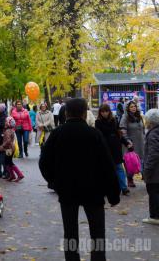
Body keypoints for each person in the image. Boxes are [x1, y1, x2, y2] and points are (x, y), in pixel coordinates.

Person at [40, 98, 119, 261]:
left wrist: (54, 182)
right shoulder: (94, 134)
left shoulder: (57, 134)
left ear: (66, 113)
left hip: (67, 190)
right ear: (85, 113)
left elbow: (44, 162)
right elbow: (107, 165)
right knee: (97, 232)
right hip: (94, 190)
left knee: (70, 232)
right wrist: (113, 194)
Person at [95, 104, 132, 196]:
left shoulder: (114, 120)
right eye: (102, 111)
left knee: (119, 168)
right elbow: (103, 132)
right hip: (104, 148)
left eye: (106, 111)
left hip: (115, 148)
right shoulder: (98, 122)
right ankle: (107, 188)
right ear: (100, 112)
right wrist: (113, 130)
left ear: (109, 111)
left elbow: (118, 133)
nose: (105, 113)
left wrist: (126, 143)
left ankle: (124, 188)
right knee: (106, 169)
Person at [119, 100, 145, 188]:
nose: (134, 108)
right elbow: (122, 131)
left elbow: (143, 129)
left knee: (141, 160)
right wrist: (127, 141)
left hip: (141, 142)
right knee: (130, 162)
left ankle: (144, 175)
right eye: (131, 107)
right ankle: (130, 179)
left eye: (134, 106)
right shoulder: (125, 117)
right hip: (130, 144)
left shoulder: (139, 116)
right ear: (127, 108)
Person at [143, 109, 159, 225]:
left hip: (155, 171)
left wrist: (147, 170)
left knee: (153, 192)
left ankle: (155, 216)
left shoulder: (153, 133)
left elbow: (153, 154)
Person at [0, 116, 24, 182]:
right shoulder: (10, 130)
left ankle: (19, 174)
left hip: (9, 149)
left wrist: (2, 146)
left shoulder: (8, 131)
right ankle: (12, 175)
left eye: (5, 122)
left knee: (9, 162)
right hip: (10, 148)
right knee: (7, 162)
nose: (4, 123)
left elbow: (8, 141)